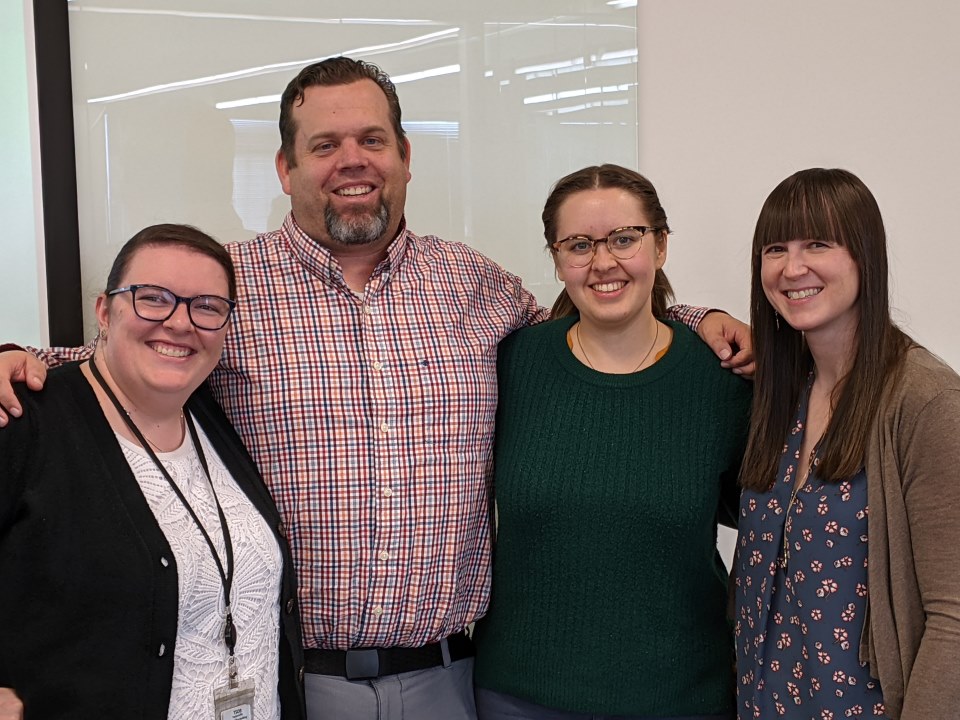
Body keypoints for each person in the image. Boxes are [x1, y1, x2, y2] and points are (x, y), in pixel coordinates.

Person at [0, 58, 752, 720]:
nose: (351, 161)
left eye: (372, 140)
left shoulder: (472, 282)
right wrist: (12, 357)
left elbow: (589, 314)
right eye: (324, 145)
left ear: (405, 156)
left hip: (451, 681)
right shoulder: (226, 287)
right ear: (285, 168)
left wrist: (699, 317)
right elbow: (127, 353)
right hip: (288, 680)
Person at [472, 164, 752, 720]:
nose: (603, 262)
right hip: (521, 697)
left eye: (625, 239)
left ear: (661, 246)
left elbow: (767, 529)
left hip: (681, 699)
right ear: (556, 258)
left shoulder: (723, 378)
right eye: (579, 245)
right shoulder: (510, 366)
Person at [0, 224, 305, 719]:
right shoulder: (24, 422)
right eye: (153, 298)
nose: (180, 323)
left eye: (206, 306)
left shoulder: (210, 415)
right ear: (104, 310)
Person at [734, 169, 960, 719]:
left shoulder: (927, 402)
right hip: (764, 702)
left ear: (865, 256)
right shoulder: (781, 395)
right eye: (775, 249)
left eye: (818, 244)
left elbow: (954, 616)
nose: (793, 268)